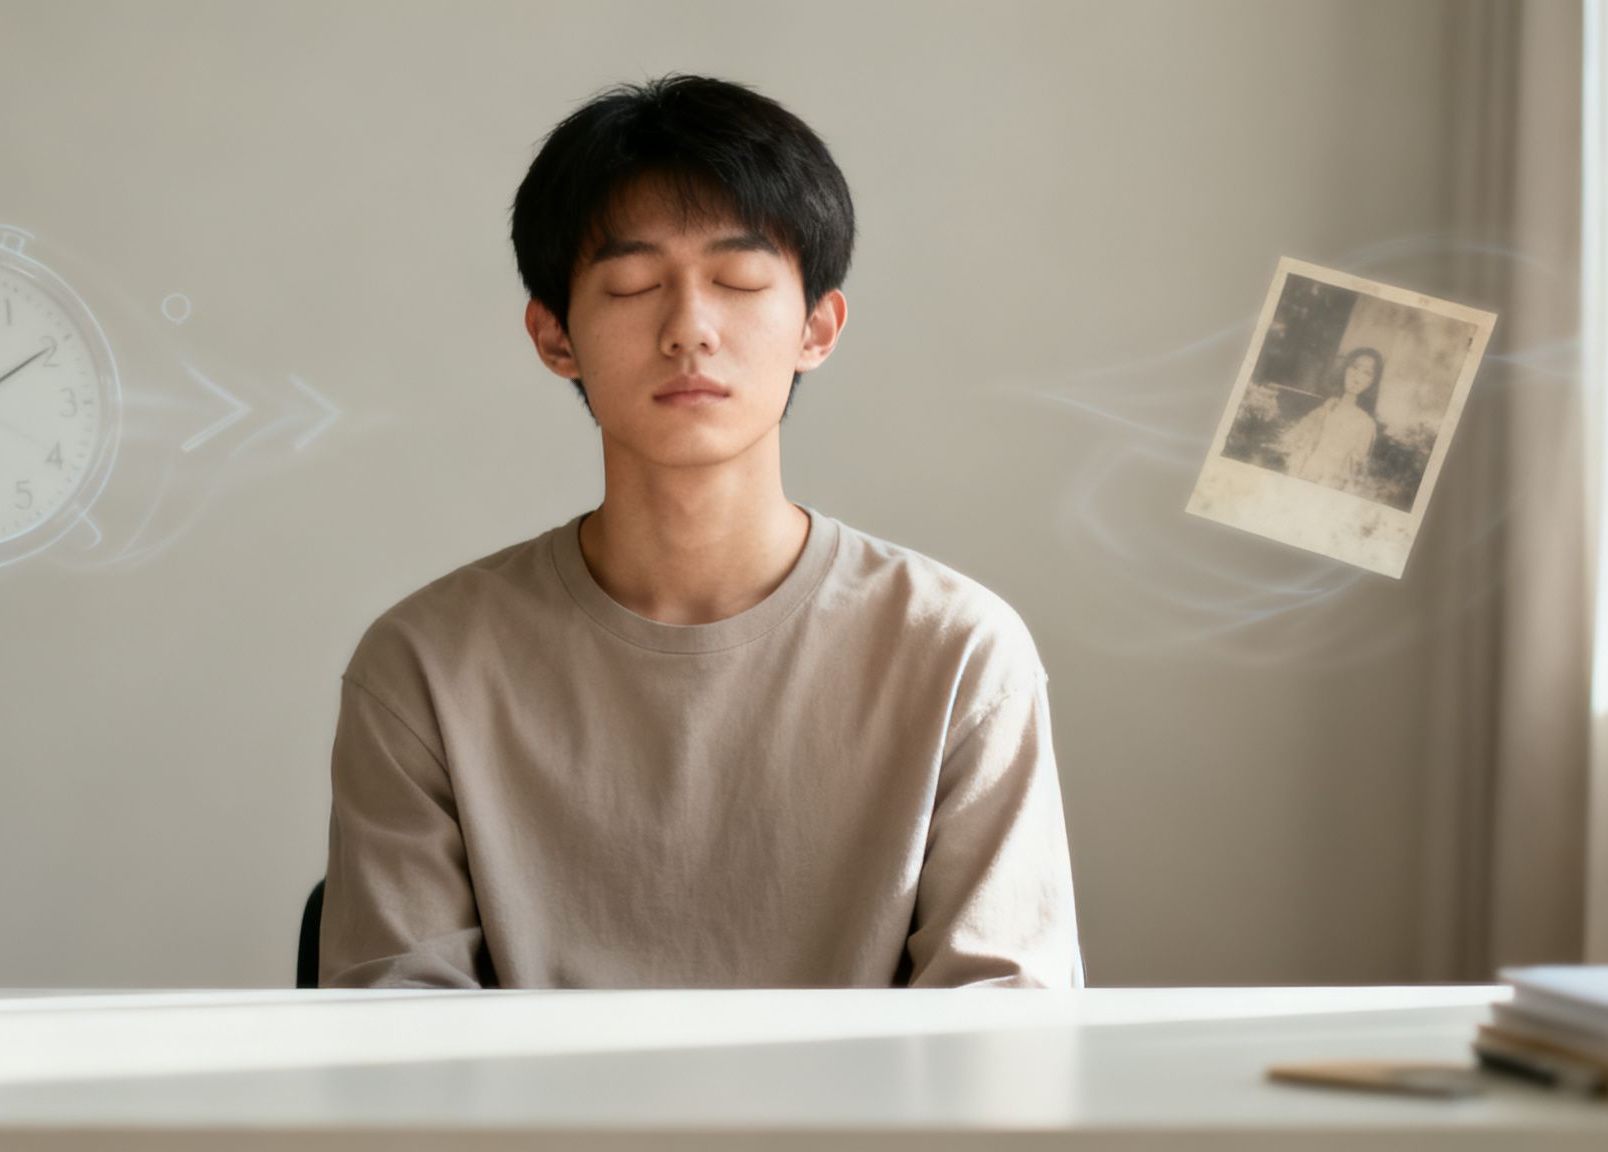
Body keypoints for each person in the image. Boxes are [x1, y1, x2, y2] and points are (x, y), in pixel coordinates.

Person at [321, 74, 1081, 989]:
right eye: (635, 284)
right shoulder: (424, 665)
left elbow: (1002, 1040)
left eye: (739, 280)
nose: (689, 329)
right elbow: (398, 1055)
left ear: (818, 326)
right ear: (554, 335)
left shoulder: (958, 652)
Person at [1277, 347, 1384, 491]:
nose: (1357, 376)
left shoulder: (1366, 425)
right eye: (1354, 368)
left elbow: (1353, 476)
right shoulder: (1324, 408)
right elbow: (1289, 442)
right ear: (1346, 369)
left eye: (1366, 373)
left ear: (1371, 382)